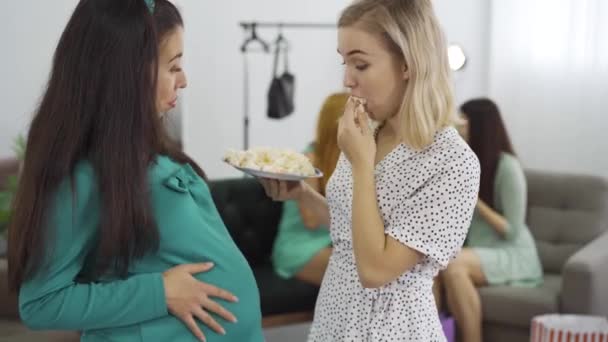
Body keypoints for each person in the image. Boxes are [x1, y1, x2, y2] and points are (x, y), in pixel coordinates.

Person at [7, 1, 263, 341]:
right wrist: (160, 292)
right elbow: (41, 304)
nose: (183, 80)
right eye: (173, 67)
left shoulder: (144, 150)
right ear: (127, 72)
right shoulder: (81, 174)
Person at [259, 0, 481, 340]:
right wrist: (302, 195)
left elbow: (376, 269)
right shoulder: (370, 133)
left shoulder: (452, 162)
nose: (347, 80)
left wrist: (363, 166)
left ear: (408, 63)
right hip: (335, 315)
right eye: (344, 62)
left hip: (390, 329)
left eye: (360, 64)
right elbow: (354, 230)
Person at [436, 98, 543, 342]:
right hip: (478, 250)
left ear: (480, 126)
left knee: (454, 264)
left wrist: (474, 200)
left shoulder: (508, 167)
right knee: (432, 263)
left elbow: (512, 230)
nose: (457, 126)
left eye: (463, 121)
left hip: (512, 252)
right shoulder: (465, 163)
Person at [271, 93, 348, 286]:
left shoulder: (347, 161)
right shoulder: (308, 161)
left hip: (334, 244)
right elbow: (311, 221)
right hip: (301, 248)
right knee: (358, 272)